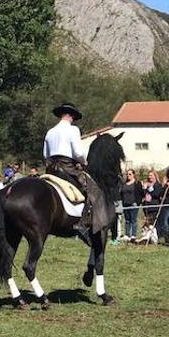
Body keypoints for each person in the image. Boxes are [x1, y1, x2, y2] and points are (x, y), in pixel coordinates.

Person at [43, 102, 99, 245]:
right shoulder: (73, 130)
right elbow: (78, 153)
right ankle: (82, 224)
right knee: (90, 188)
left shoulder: (50, 132)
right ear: (71, 116)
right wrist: (84, 162)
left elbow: (45, 155)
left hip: (51, 169)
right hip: (67, 167)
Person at [121, 169, 143, 239]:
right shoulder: (124, 184)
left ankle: (133, 235)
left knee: (133, 220)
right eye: (127, 174)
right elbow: (121, 193)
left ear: (133, 175)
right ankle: (127, 235)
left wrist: (137, 202)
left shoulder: (137, 183)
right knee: (127, 220)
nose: (128, 175)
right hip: (125, 204)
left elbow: (141, 194)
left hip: (133, 205)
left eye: (130, 174)